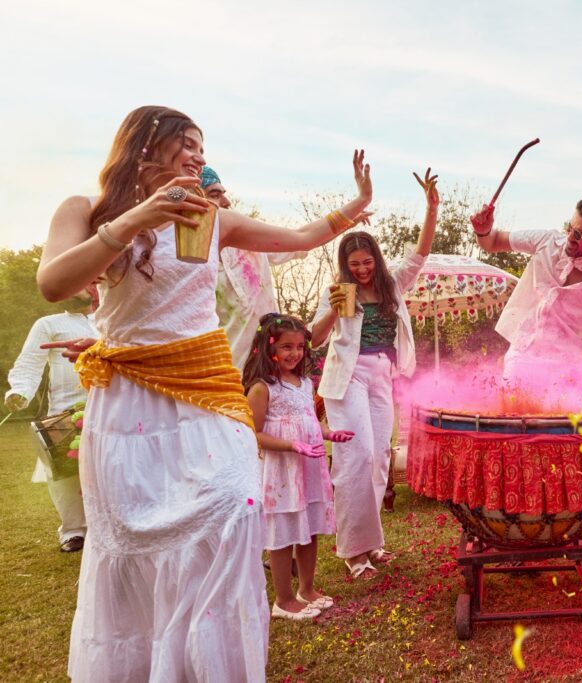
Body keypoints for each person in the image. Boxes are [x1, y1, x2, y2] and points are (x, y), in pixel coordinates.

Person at [36, 105, 373, 681]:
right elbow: (52, 282)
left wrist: (357, 203)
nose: (198, 156)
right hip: (130, 405)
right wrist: (138, 218)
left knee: (235, 506)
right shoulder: (83, 211)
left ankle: (208, 662)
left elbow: (301, 237)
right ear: (144, 144)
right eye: (187, 144)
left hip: (206, 395)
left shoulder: (212, 221)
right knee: (135, 540)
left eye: (201, 146)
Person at [312, 169, 438, 579]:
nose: (362, 269)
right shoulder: (337, 290)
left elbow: (420, 253)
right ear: (344, 265)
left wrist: (431, 208)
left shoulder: (392, 284)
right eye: (354, 264)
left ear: (376, 261)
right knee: (357, 456)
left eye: (367, 262)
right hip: (347, 377)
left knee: (380, 456)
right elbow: (314, 338)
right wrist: (334, 309)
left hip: (382, 374)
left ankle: (373, 543)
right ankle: (353, 553)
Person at [243, 313, 353, 620]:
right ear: (269, 347)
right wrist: (291, 445)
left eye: (300, 347)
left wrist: (329, 434)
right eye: (287, 347)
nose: (295, 353)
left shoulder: (304, 384)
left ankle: (307, 588)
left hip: (308, 468)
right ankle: (284, 599)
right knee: (282, 533)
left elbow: (310, 422)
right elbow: (253, 434)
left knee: (310, 527)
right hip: (281, 473)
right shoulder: (262, 388)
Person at [471, 197, 582, 381]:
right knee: (511, 399)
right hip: (521, 356)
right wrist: (483, 231)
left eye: (578, 235)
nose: (569, 237)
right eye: (569, 227)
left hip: (566, 369)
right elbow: (493, 242)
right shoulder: (546, 241)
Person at [5, 286, 97, 553]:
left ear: (94, 285)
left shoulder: (113, 317)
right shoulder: (48, 324)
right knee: (65, 473)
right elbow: (29, 363)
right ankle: (73, 531)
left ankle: (108, 526)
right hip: (64, 411)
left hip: (110, 406)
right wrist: (20, 392)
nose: (71, 291)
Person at [205, 166, 315, 368]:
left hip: (272, 369)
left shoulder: (251, 243)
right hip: (227, 373)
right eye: (214, 195)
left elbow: (301, 239)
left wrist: (349, 213)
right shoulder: (183, 264)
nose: (227, 202)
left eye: (223, 194)